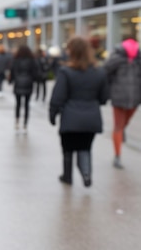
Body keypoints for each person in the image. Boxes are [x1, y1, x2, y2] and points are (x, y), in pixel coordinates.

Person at [49, 36, 109, 187]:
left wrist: (53, 113)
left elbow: (58, 96)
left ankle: (67, 176)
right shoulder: (99, 72)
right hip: (91, 118)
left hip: (70, 117)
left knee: (68, 149)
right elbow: (104, 98)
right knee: (85, 147)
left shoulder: (66, 72)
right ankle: (86, 173)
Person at [103, 38, 141, 169]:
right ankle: (117, 155)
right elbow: (105, 73)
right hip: (125, 97)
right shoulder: (120, 59)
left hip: (131, 98)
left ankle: (118, 143)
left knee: (121, 125)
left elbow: (105, 72)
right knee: (119, 125)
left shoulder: (135, 59)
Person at [9, 45, 39, 133]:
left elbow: (12, 71)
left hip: (18, 83)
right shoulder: (32, 61)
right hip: (28, 83)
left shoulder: (16, 60)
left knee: (18, 104)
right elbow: (35, 72)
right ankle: (25, 124)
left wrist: (11, 80)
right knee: (26, 104)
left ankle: (17, 121)